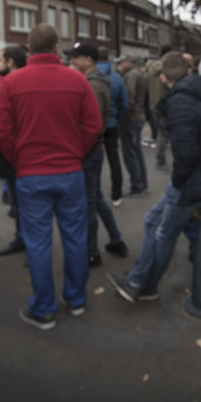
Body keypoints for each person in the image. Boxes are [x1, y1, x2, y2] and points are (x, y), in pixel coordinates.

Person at [107, 51, 201, 303]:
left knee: (163, 231)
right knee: (153, 221)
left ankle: (143, 285)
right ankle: (140, 281)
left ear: (164, 78)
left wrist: (178, 182)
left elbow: (186, 152)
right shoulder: (200, 91)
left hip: (199, 178)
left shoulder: (180, 102)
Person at [0, 24, 102, 330]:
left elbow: (0, 131)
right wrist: (75, 153)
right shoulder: (77, 80)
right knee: (75, 237)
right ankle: (76, 299)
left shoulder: (12, 82)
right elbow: (93, 125)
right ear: (56, 48)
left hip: (31, 174)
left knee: (37, 242)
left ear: (29, 49)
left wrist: (19, 158)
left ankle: (44, 308)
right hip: (69, 172)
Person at [66, 41, 129, 268]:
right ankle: (116, 240)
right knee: (98, 200)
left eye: (76, 57)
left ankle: (92, 253)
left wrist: (79, 150)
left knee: (89, 204)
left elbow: (90, 125)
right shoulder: (97, 81)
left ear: (88, 60)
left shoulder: (92, 86)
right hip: (94, 149)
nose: (72, 61)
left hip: (89, 151)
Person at [0, 45, 29, 257]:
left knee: (26, 205)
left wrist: (13, 155)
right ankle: (22, 238)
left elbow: (2, 127)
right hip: (12, 156)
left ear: (11, 61)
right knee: (17, 202)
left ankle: (29, 244)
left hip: (18, 156)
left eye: (0, 60)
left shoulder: (14, 83)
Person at [96, 47, 128, 207]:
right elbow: (124, 103)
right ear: (109, 59)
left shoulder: (90, 77)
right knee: (114, 159)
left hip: (95, 125)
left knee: (95, 160)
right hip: (112, 124)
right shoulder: (116, 78)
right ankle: (116, 194)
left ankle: (95, 193)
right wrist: (117, 118)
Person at [117, 54, 148, 196]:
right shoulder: (139, 74)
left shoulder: (130, 76)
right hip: (139, 115)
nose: (120, 65)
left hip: (131, 117)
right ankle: (142, 183)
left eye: (122, 62)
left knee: (130, 153)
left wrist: (122, 114)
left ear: (129, 62)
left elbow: (129, 97)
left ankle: (136, 185)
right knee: (137, 152)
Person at [147, 45, 172, 172]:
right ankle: (161, 163)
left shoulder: (152, 67)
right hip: (165, 104)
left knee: (160, 134)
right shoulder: (167, 68)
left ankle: (160, 162)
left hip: (154, 104)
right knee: (164, 134)